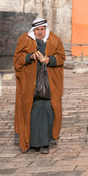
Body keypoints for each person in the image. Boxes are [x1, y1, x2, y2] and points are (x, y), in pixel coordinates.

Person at [14, 18, 66, 154]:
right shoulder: (24, 40)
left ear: (45, 29)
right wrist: (30, 56)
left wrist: (50, 59)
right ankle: (31, 143)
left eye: (42, 29)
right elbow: (17, 59)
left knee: (49, 111)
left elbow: (61, 57)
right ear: (33, 30)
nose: (40, 32)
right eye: (37, 30)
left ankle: (45, 144)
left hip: (49, 84)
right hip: (30, 84)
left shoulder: (54, 39)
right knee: (30, 112)